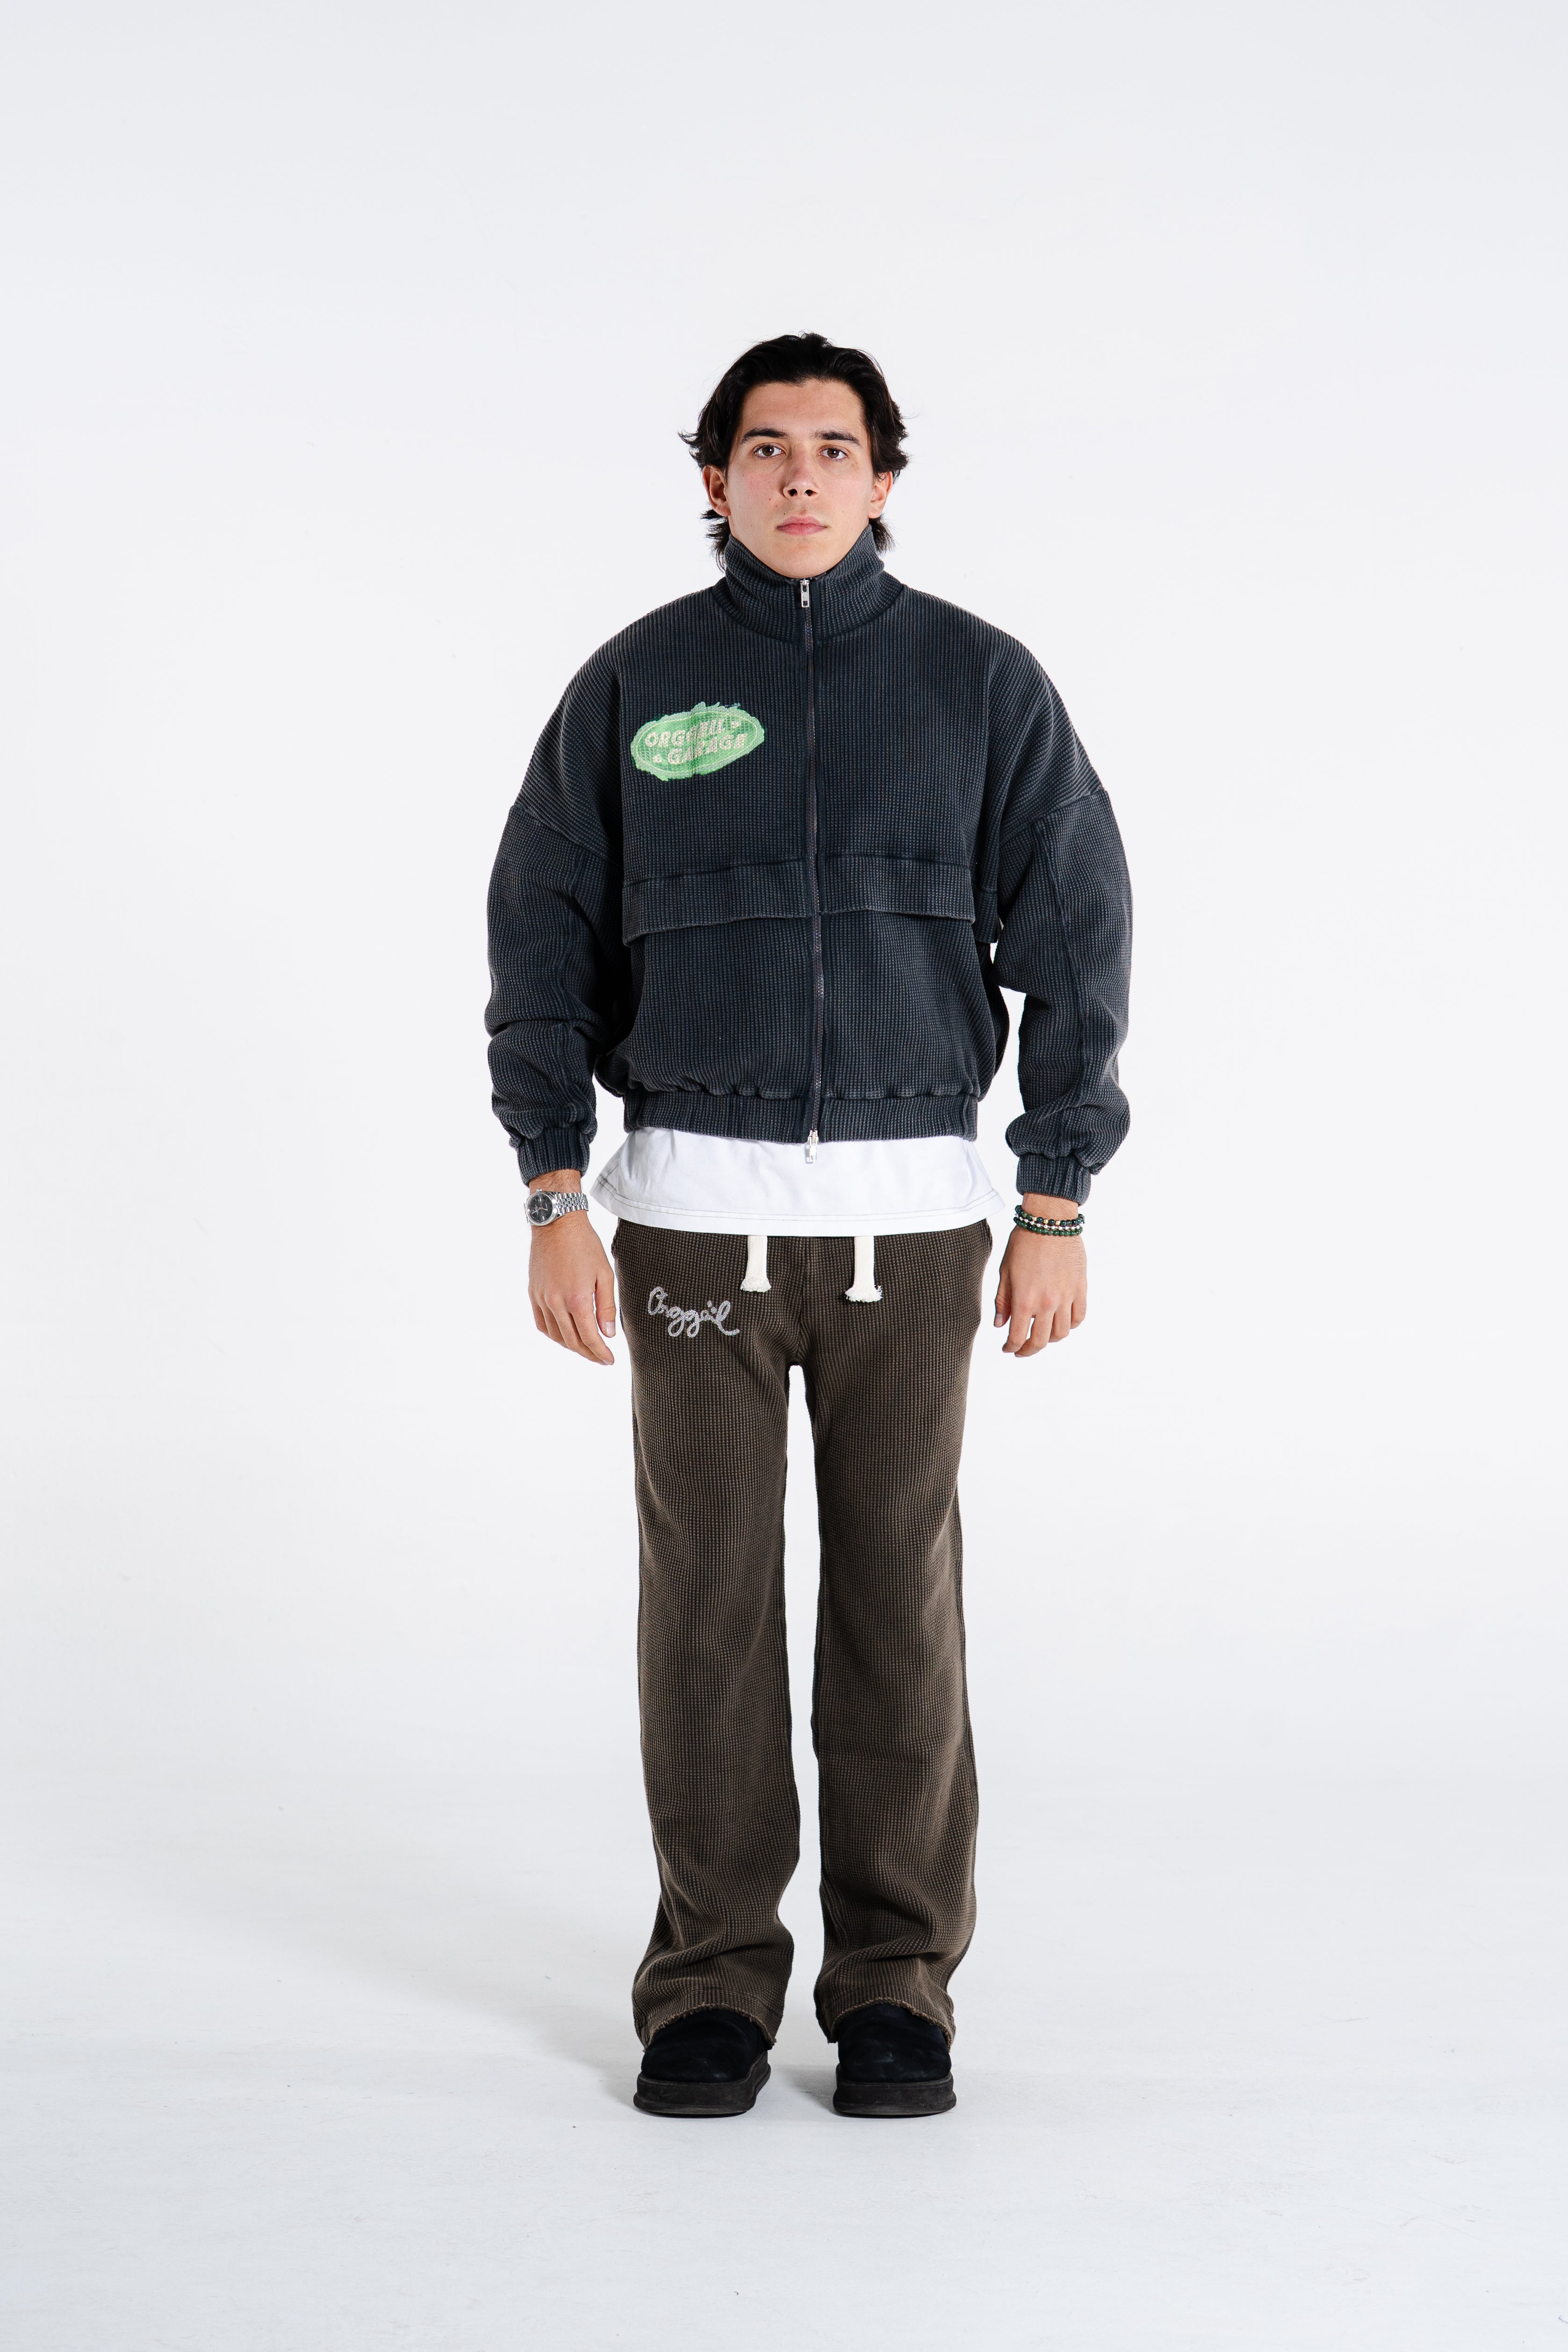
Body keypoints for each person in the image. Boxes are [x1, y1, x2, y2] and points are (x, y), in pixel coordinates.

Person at [486, 332, 1131, 2120]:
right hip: (690, 1228)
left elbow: (1078, 939)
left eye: (832, 448)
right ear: (713, 478)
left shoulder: (978, 684)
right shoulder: (636, 683)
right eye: (762, 448)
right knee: (704, 1609)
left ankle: (895, 1989)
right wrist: (552, 1189)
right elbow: (538, 937)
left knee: (894, 1609)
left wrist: (1055, 1194)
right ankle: (707, 1988)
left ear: (883, 478)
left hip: (914, 1233)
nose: (797, 476)